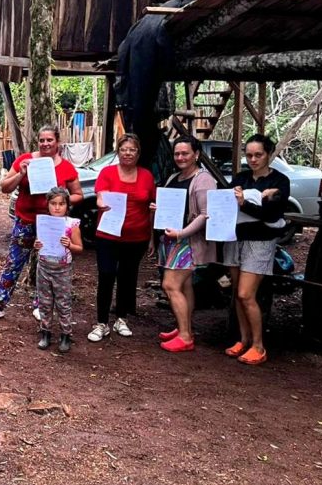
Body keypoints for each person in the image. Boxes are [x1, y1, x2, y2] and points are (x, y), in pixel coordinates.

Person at [0, 125, 83, 322]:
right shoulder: (25, 161)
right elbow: (4, 187)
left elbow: (79, 194)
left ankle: (40, 305)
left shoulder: (66, 167)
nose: (45, 144)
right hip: (25, 220)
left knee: (46, 264)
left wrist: (62, 199)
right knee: (14, 263)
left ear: (57, 142)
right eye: (42, 140)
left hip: (51, 224)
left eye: (49, 140)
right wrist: (20, 174)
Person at [222, 134, 290, 365]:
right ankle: (243, 339)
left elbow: (271, 214)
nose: (253, 159)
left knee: (246, 294)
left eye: (258, 155)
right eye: (249, 155)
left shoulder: (280, 181)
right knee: (237, 295)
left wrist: (245, 203)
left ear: (269, 154)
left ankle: (259, 346)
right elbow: (227, 205)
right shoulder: (240, 178)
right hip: (235, 239)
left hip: (260, 241)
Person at [88, 133, 155, 342]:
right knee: (106, 275)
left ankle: (121, 319)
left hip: (137, 237)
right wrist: (100, 202)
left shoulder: (146, 176)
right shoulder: (107, 172)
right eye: (124, 149)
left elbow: (152, 206)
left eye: (132, 149)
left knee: (128, 278)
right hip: (108, 235)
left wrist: (152, 237)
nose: (128, 153)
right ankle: (101, 323)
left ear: (138, 153)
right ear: (118, 151)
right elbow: (100, 195)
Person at [156, 136, 217, 352]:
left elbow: (205, 214)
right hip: (171, 239)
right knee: (185, 285)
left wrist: (182, 233)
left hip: (187, 241)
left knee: (170, 285)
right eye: (177, 153)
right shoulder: (176, 176)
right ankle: (185, 328)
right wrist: (159, 209)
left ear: (197, 154)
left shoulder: (203, 180)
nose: (180, 157)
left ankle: (185, 336)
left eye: (185, 153)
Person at [33, 187, 83, 353]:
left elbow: (79, 248)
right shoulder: (43, 223)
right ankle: (45, 332)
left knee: (63, 303)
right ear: (47, 205)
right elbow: (39, 243)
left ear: (67, 205)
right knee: (45, 302)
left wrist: (70, 245)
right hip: (44, 268)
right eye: (53, 203)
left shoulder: (72, 224)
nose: (57, 207)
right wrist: (36, 246)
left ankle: (65, 334)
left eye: (61, 204)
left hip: (62, 270)